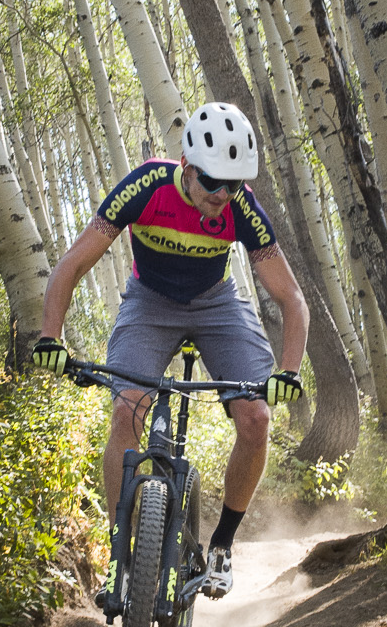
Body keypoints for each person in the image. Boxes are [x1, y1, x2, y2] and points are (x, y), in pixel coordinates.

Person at [29, 101, 308, 599]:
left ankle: (221, 545)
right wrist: (51, 337)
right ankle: (120, 553)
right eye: (212, 182)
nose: (223, 195)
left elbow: (291, 298)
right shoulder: (145, 187)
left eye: (235, 184)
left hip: (215, 303)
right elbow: (71, 265)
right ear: (185, 165)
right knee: (126, 413)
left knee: (256, 419)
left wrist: (287, 369)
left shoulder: (239, 208)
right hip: (149, 303)